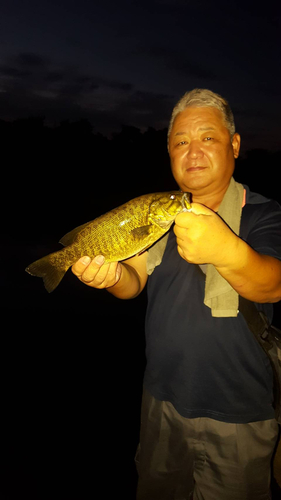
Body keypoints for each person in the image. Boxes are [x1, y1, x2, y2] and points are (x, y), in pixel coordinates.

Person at [72, 89, 281, 500]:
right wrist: (109, 277)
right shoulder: (158, 212)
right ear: (169, 153)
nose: (194, 151)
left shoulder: (264, 213)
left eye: (207, 137)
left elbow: (271, 283)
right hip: (161, 402)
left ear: (234, 145)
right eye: (181, 142)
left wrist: (225, 248)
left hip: (238, 414)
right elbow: (132, 280)